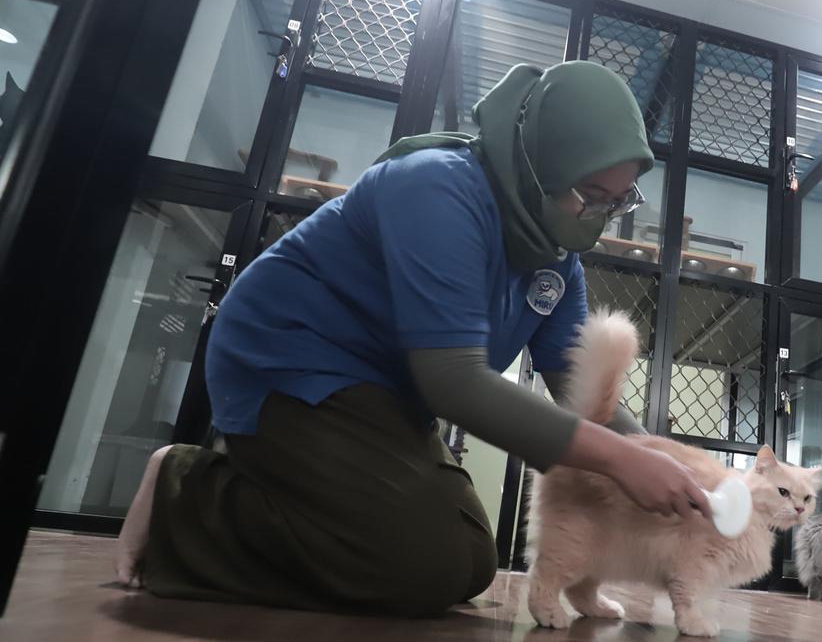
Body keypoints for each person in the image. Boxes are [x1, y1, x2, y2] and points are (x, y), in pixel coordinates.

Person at [113, 61, 713, 616]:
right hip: (290, 362)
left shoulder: (558, 264)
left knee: (468, 559)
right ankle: (185, 493)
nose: (601, 217)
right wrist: (623, 461)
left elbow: (579, 392)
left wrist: (673, 465)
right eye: (591, 195)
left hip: (385, 400)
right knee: (416, 564)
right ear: (540, 164)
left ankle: (273, 492)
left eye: (617, 202)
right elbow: (452, 380)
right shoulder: (438, 186)